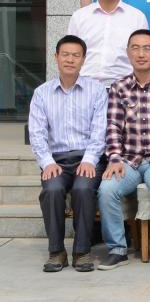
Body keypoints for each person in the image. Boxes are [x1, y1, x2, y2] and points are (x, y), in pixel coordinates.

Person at [97, 29, 150, 270]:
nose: (141, 53)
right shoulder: (119, 87)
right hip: (128, 161)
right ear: (128, 52)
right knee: (106, 190)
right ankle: (117, 249)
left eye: (147, 48)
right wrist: (114, 158)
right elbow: (113, 127)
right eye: (135, 48)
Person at [29, 35, 107, 272]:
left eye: (76, 55)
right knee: (52, 190)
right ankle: (56, 251)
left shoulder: (96, 90)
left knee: (83, 189)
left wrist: (90, 159)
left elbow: (100, 130)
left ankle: (82, 251)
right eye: (65, 54)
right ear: (56, 57)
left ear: (83, 59)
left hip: (88, 157)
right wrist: (47, 162)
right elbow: (37, 133)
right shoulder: (42, 93)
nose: (70, 59)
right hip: (56, 160)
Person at [68, 0, 149, 87]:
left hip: (125, 88)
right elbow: (71, 54)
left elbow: (143, 56)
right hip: (85, 86)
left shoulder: (137, 17)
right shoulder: (79, 17)